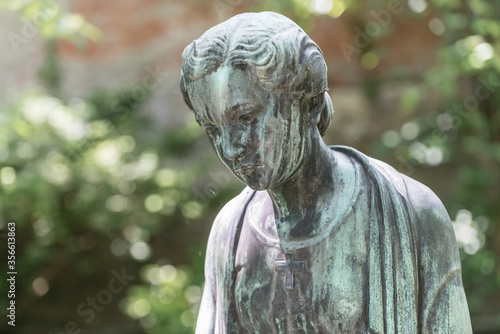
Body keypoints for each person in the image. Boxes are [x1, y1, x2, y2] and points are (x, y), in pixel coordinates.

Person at [180, 11, 472, 333]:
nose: (231, 147)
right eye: (211, 128)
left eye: (246, 117)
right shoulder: (230, 232)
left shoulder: (414, 214)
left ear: (310, 103)